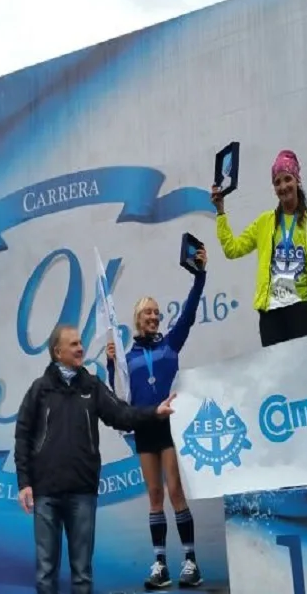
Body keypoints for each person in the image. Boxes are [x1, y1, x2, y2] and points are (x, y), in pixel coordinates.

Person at [15, 324, 178, 594]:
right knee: (45, 572)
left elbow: (121, 415)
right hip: (46, 494)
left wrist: (153, 412)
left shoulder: (91, 385)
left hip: (82, 493)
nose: (81, 348)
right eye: (74, 344)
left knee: (82, 574)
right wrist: (24, 482)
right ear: (58, 352)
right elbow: (22, 435)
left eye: (81, 343)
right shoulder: (39, 389)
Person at [105, 247, 207, 590]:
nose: (152, 316)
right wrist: (109, 363)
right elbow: (120, 392)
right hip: (145, 427)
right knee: (153, 495)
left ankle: (191, 561)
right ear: (137, 319)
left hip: (170, 426)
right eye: (146, 312)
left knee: (175, 490)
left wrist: (200, 277)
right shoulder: (127, 356)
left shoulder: (170, 344)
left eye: (156, 312)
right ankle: (160, 564)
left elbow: (190, 314)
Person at [211, 149, 307, 347]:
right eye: (277, 182)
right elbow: (232, 249)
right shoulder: (265, 222)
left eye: (287, 179)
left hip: (302, 308)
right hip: (271, 313)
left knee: (303, 374)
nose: (283, 186)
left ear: (297, 180)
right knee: (278, 377)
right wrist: (220, 212)